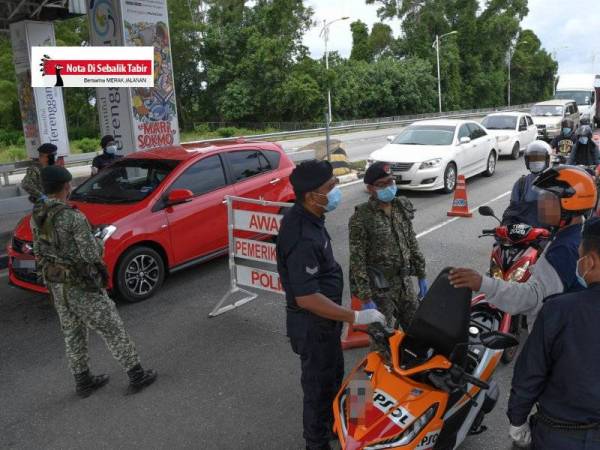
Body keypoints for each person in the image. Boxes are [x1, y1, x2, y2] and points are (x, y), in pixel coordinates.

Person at [276, 159, 386, 450]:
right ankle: (316, 442)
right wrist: (356, 317)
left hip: (325, 323)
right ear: (313, 195)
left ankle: (333, 426)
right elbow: (307, 297)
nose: (337, 190)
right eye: (331, 187)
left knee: (333, 378)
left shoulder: (312, 217)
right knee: (317, 388)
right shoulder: (301, 235)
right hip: (312, 325)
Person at [31, 165, 156, 398]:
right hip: (81, 285)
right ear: (66, 187)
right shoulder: (72, 217)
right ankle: (137, 375)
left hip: (57, 284)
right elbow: (90, 255)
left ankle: (83, 381)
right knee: (112, 328)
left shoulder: (37, 215)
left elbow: (39, 250)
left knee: (73, 333)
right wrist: (100, 239)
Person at [449, 166, 598, 326]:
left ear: (569, 204)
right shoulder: (579, 233)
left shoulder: (564, 249)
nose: (540, 204)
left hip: (555, 336)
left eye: (547, 198)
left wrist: (482, 283)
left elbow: (532, 298)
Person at [507, 217, 600, 449]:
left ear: (591, 261)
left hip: (562, 434)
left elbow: (530, 372)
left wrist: (517, 422)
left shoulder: (560, 310)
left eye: (579, 256)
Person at [349, 161, 427, 332]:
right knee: (383, 338)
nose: (388, 187)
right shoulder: (361, 217)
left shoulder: (401, 207)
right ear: (370, 188)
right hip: (379, 289)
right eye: (381, 184)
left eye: (390, 182)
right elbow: (357, 259)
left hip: (404, 282)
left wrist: (421, 274)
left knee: (416, 332)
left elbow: (411, 242)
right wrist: (366, 296)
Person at [501, 141, 551, 228]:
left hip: (548, 233)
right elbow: (513, 209)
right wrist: (505, 226)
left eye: (539, 158)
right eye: (533, 159)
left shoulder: (555, 182)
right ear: (527, 161)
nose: (536, 162)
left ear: (546, 160)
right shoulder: (521, 183)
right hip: (524, 232)